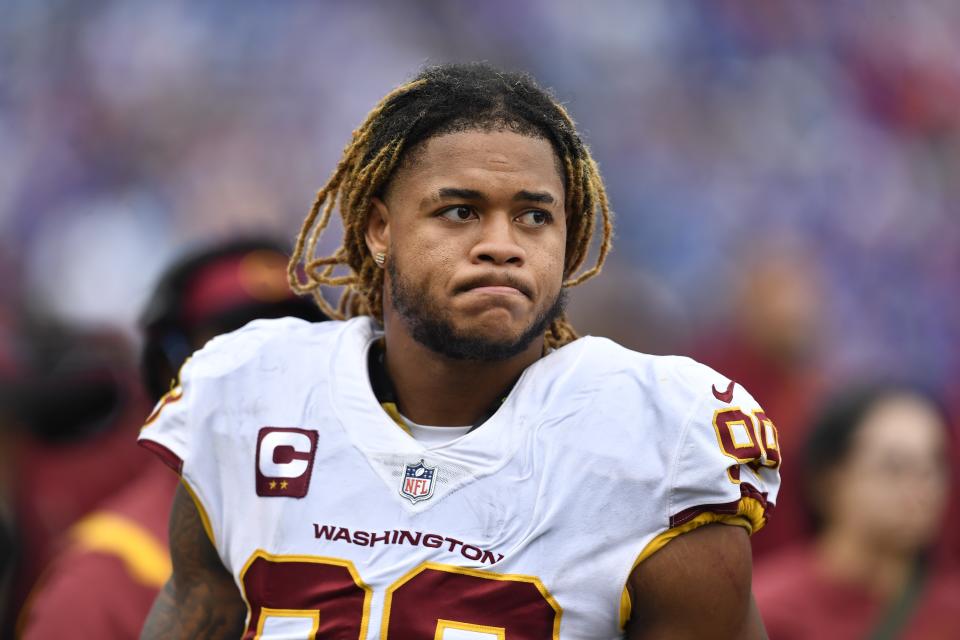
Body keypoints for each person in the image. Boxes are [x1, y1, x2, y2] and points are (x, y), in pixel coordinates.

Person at [139, 63, 781, 639]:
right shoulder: (253, 388)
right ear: (379, 228)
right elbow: (201, 603)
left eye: (534, 217)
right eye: (460, 212)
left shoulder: (659, 440)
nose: (501, 244)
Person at [17, 238, 327, 639]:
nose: (273, 370)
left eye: (299, 343)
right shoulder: (109, 578)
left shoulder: (364, 539)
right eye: (235, 344)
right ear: (170, 367)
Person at [754, 383, 959, 639]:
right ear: (829, 481)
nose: (921, 489)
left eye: (933, 469)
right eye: (895, 467)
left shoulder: (950, 613)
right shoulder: (769, 611)